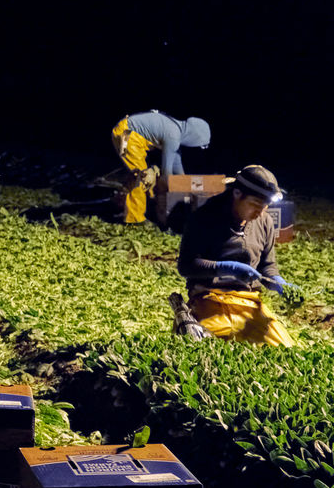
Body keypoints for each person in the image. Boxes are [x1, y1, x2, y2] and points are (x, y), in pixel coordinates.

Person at [176, 164, 294, 347]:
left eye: (265, 207)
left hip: (249, 301)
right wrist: (226, 268)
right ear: (237, 194)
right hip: (209, 298)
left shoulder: (265, 221)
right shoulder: (204, 218)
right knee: (202, 348)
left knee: (286, 349)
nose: (260, 213)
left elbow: (267, 266)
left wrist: (278, 283)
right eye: (255, 205)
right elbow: (186, 266)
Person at [111, 110, 211, 223]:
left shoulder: (176, 133)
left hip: (131, 136)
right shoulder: (173, 136)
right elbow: (166, 175)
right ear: (194, 137)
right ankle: (134, 220)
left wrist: (189, 188)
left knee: (141, 174)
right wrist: (184, 198)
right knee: (143, 176)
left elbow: (178, 170)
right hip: (126, 135)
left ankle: (128, 206)